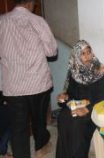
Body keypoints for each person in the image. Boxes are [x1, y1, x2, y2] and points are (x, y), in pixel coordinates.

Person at [0, 0, 57, 157]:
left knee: (18, 128)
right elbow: (52, 51)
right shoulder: (37, 21)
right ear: (30, 3)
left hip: (14, 86)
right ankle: (40, 149)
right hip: (38, 83)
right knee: (39, 120)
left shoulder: (2, 21)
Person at [56, 40, 104, 158]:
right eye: (82, 53)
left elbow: (103, 97)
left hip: (93, 109)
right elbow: (71, 94)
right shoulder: (74, 73)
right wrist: (65, 98)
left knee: (77, 124)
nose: (87, 56)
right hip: (76, 107)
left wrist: (87, 109)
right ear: (76, 56)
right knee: (63, 118)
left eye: (88, 52)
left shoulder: (100, 71)